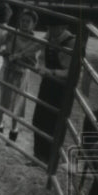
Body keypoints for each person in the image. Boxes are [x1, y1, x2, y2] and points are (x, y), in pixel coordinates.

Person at [0, 9, 42, 142]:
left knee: (17, 102)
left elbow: (34, 62)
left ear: (34, 24)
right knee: (1, 99)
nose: (24, 24)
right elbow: (0, 45)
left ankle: (14, 130)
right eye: (22, 20)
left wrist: (19, 58)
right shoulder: (12, 34)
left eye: (28, 22)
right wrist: (4, 51)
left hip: (20, 74)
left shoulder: (35, 42)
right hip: (7, 69)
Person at [31, 23, 76, 164]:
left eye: (54, 26)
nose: (50, 29)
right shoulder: (50, 35)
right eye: (49, 26)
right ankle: (38, 155)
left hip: (62, 88)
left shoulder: (71, 42)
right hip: (48, 82)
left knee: (55, 122)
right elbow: (38, 47)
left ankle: (52, 158)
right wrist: (22, 55)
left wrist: (52, 72)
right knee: (38, 118)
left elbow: (73, 72)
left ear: (63, 26)